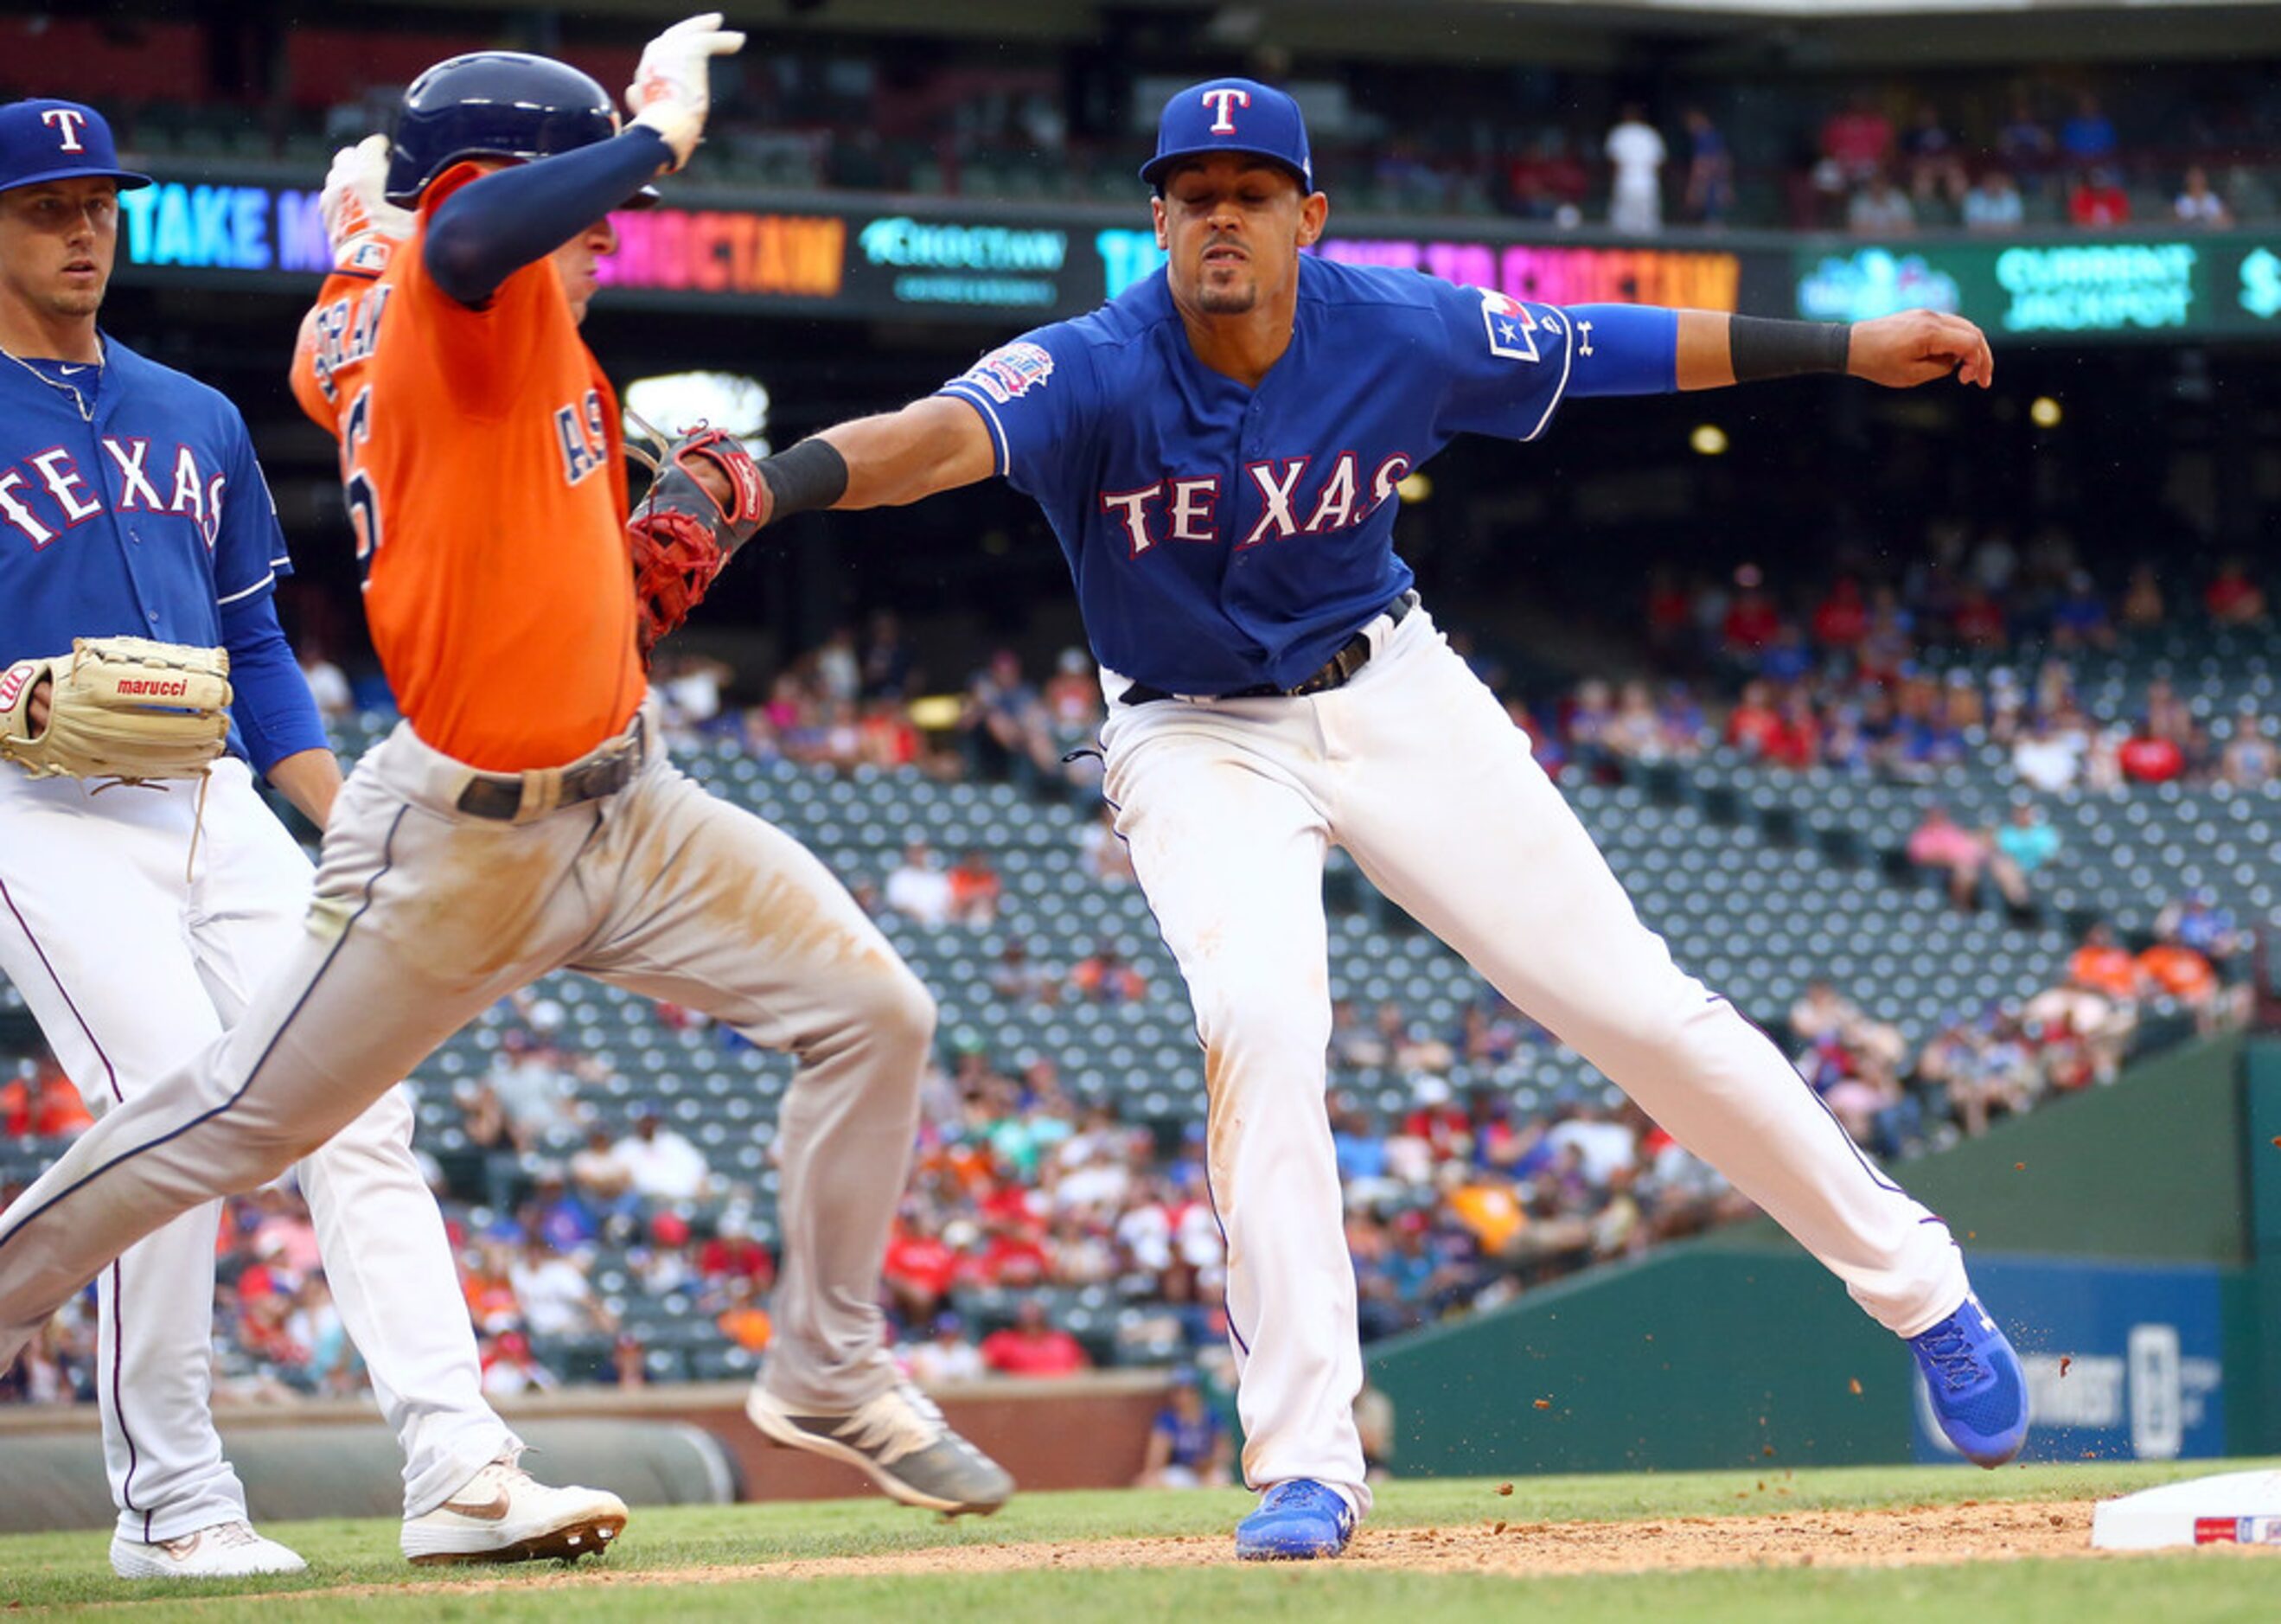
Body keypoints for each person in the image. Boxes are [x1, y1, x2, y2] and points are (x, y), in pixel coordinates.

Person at [688, 76, 2029, 1560]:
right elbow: (928, 441)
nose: (1217, 211)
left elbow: (1606, 349)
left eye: (1249, 189)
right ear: (1156, 219)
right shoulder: (1090, 364)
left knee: (1635, 1007)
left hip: (1390, 686)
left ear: (1305, 217)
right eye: (1190, 190)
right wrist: (771, 480)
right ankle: (1307, 1461)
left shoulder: (1397, 324)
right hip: (1192, 731)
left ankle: (1922, 1292)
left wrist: (1841, 347)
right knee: (1259, 1035)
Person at [0, 34, 1012, 1525]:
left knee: (874, 1011)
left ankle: (826, 1367)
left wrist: (659, 548)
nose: (608, 228)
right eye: (580, 189)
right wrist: (657, 128)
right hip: (462, 836)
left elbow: (394, 272)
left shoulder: (391, 312)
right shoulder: (463, 303)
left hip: (634, 803)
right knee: (231, 1122)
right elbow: (464, 239)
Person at [0, 97, 623, 1575]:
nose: (86, 227)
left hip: (214, 798)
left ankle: (459, 1466)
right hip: (40, 805)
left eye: (101, 202)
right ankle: (174, 1503)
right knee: (171, 1103)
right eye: (47, 205)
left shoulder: (191, 413)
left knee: (361, 1101)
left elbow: (257, 650)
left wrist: (349, 825)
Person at [1134, 1367, 1235, 1488]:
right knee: (1149, 1483)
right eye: (1178, 1392)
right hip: (1181, 1472)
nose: (1184, 1397)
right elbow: (1155, 1460)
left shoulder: (1211, 1417)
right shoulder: (1168, 1420)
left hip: (1208, 1472)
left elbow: (1226, 1452)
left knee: (1220, 1480)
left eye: (1189, 1391)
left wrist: (1208, 1462)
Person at [1603, 103, 1665, 234]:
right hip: (1647, 184)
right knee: (1648, 228)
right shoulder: (1650, 134)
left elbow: (1614, 165)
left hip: (1626, 183)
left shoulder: (1619, 133)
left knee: (1622, 228)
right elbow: (1658, 165)